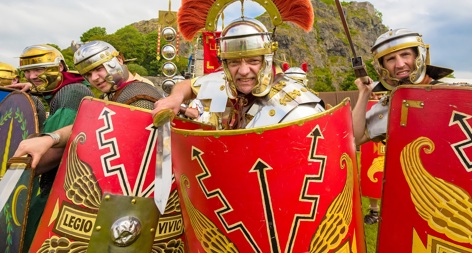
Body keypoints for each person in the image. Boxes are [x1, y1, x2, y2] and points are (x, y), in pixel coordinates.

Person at [352, 28, 453, 223]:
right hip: (408, 201)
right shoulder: (391, 105)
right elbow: (355, 138)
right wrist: (364, 93)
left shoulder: (452, 95)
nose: (399, 64)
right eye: (390, 59)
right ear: (383, 66)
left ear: (419, 55)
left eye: (405, 54)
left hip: (455, 202)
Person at [152, 18, 325, 129]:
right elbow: (186, 85)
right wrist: (175, 98)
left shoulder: (297, 106)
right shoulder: (226, 82)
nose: (243, 71)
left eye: (253, 61)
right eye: (234, 62)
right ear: (226, 65)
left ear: (266, 61)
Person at [14, 40, 162, 169]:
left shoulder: (139, 97)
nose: (95, 78)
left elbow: (135, 154)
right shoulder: (112, 95)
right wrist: (50, 138)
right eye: (88, 74)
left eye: (99, 69)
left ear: (119, 60)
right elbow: (87, 128)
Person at [8, 44, 94, 251]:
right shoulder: (62, 91)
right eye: (27, 71)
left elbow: (51, 154)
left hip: (59, 192)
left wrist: (10, 170)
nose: (31, 76)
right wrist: (31, 97)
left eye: (39, 69)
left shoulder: (71, 94)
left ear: (60, 67)